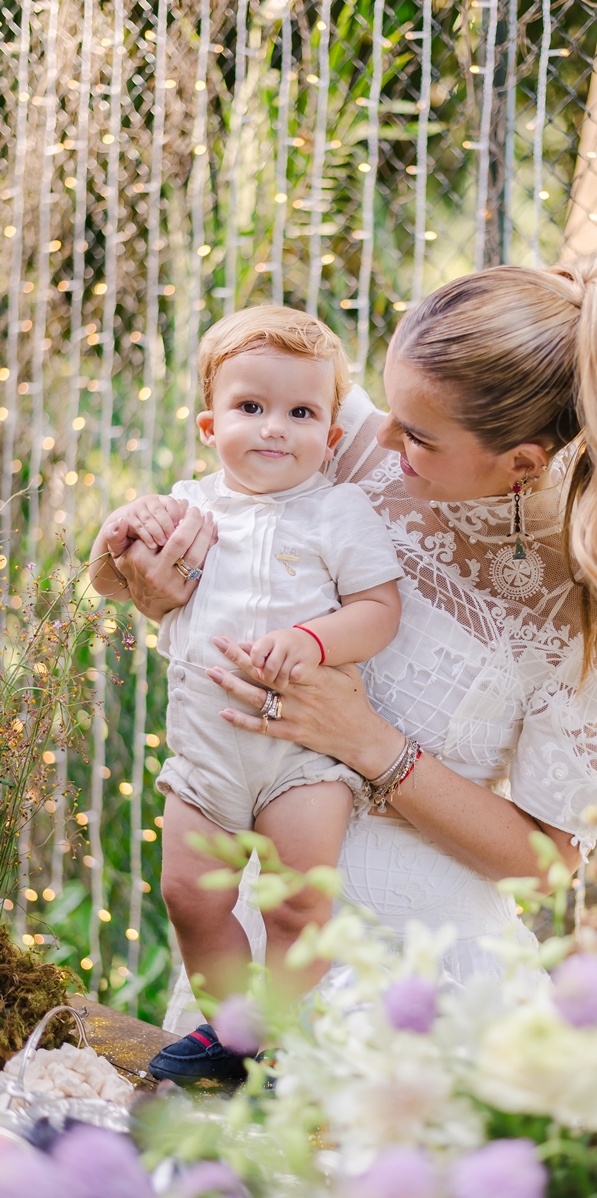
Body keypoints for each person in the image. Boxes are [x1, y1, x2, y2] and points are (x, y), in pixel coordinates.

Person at [105, 250, 597, 1084]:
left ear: (524, 462)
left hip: (423, 980)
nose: (381, 440)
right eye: (385, 411)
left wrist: (368, 742)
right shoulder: (352, 447)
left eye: (419, 435)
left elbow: (543, 861)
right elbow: (229, 548)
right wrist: (153, 583)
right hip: (268, 930)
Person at [90, 306, 403, 1083]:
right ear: (208, 424)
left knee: (297, 907)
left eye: (301, 413)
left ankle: (280, 1033)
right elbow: (115, 573)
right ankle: (229, 1033)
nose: (274, 429)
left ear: (332, 437)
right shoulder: (188, 509)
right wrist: (120, 532)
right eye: (250, 408)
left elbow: (378, 610)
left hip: (300, 759)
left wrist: (314, 640)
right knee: (188, 894)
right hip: (206, 757)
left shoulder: (338, 511)